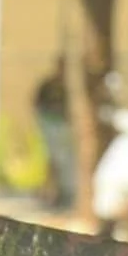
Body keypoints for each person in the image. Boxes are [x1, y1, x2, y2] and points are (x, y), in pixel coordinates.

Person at [34, 59, 75, 209]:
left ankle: (58, 192)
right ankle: (49, 192)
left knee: (60, 160)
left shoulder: (67, 87)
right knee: (53, 159)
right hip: (49, 124)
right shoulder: (50, 85)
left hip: (61, 126)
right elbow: (37, 103)